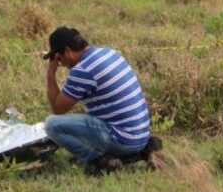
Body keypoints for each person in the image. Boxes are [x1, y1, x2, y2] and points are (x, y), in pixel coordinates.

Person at [42, 26, 159, 175]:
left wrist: (50, 73)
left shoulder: (82, 70)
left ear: (67, 51)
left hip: (124, 139)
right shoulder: (108, 53)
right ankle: (138, 151)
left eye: (59, 59)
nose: (61, 64)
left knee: (52, 125)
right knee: (89, 115)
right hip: (141, 135)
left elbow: (58, 109)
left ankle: (98, 161)